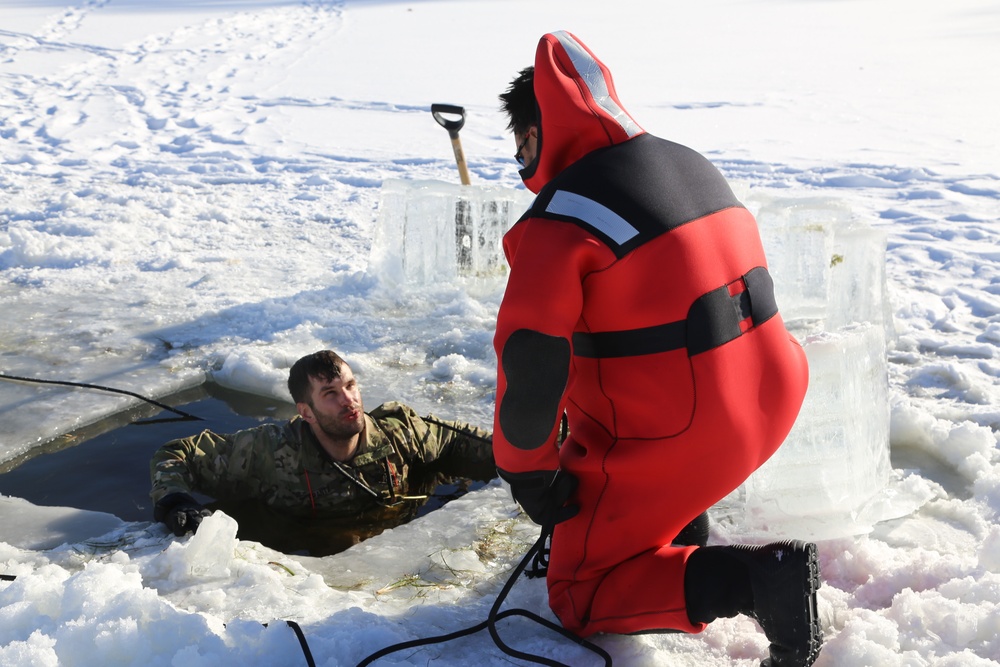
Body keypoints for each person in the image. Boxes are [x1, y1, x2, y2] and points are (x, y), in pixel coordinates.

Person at [493, 31, 821, 666]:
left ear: (536, 135)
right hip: (772, 394)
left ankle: (761, 581)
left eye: (519, 150)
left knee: (578, 593)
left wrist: (528, 471)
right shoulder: (685, 159)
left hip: (690, 427)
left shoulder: (558, 219)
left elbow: (530, 359)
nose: (522, 165)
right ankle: (676, 525)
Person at [150, 350, 495, 555]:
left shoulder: (400, 432)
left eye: (350, 386)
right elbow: (178, 454)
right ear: (306, 412)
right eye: (330, 393)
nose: (349, 401)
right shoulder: (269, 450)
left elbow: (467, 442)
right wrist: (175, 500)